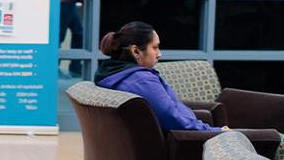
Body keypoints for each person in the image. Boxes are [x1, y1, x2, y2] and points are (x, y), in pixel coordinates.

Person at [94, 21, 226, 132]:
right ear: (135, 51)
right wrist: (215, 131)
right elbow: (172, 119)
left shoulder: (110, 74)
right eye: (155, 47)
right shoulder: (142, 81)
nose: (159, 54)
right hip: (183, 143)